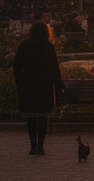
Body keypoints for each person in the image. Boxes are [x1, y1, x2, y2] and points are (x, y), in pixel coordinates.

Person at [13, 21, 64, 155]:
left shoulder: (25, 45)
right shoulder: (48, 46)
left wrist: (20, 82)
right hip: (45, 86)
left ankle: (33, 146)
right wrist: (59, 86)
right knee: (43, 117)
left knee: (31, 117)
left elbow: (16, 66)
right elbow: (55, 69)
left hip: (29, 85)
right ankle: (41, 146)